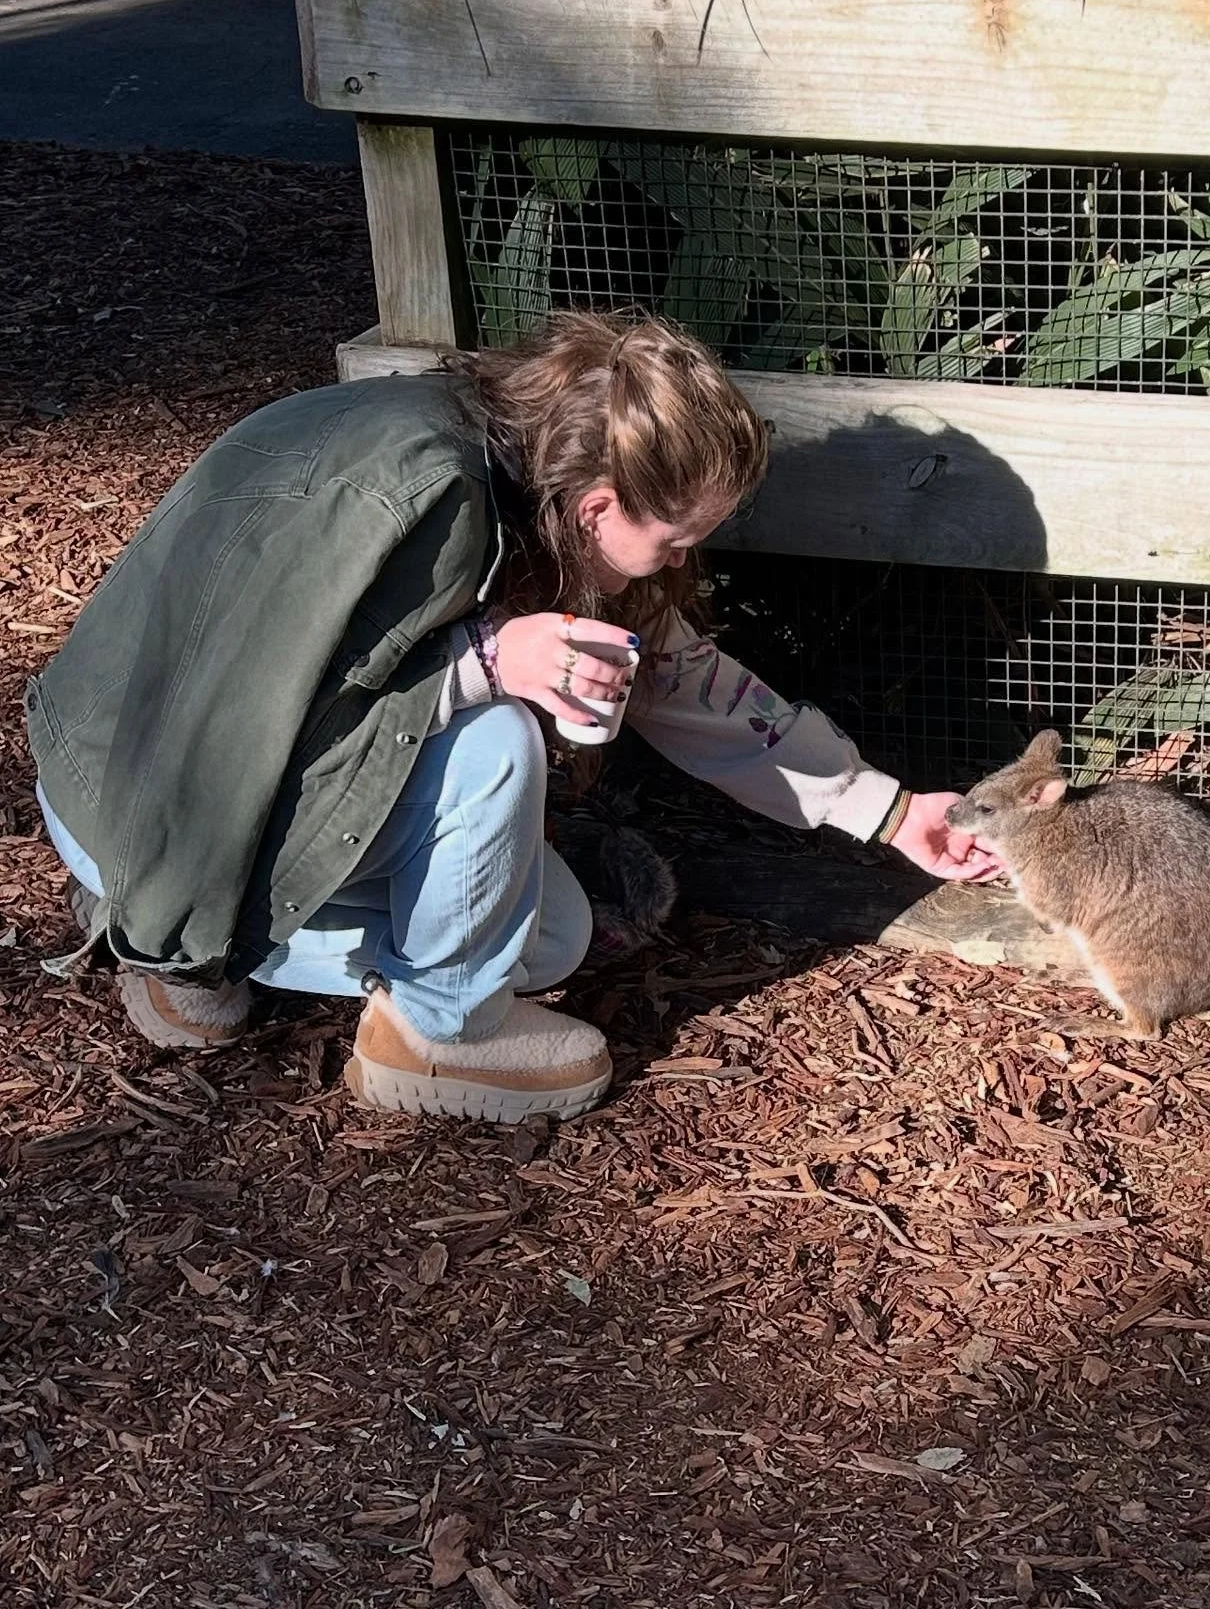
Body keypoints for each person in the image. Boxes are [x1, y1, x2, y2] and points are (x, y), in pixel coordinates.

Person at [26, 312, 1001, 1125]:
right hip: (147, 798)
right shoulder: (420, 501)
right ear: (601, 504)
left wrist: (890, 810)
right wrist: (484, 668)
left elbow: (683, 679)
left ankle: (179, 926)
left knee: (550, 938)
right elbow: (245, 724)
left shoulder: (528, 471)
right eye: (675, 542)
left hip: (185, 798)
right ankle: (429, 1042)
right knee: (498, 742)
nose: (677, 563)